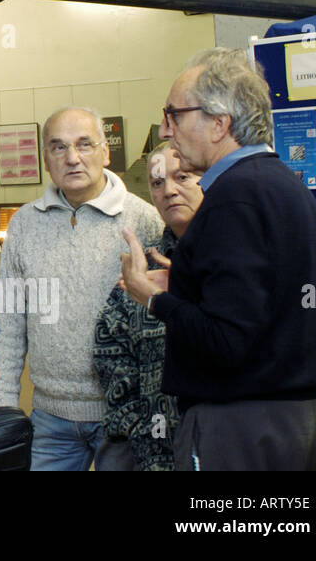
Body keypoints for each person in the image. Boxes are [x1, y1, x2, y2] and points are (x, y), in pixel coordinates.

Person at [120, 47, 316, 470]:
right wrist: (190, 285)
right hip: (291, 422)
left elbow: (227, 340)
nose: (165, 128)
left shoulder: (233, 199)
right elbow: (266, 305)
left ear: (219, 124)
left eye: (175, 114)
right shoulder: (281, 186)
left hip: (239, 429)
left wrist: (152, 298)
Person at [0, 106, 162, 471]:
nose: (72, 158)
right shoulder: (23, 226)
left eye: (85, 145)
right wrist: (4, 408)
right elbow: (7, 323)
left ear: (105, 152)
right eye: (58, 147)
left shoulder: (144, 220)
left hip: (124, 416)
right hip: (50, 420)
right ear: (45, 159)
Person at [93, 144, 198, 470]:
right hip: (156, 456)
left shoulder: (241, 262)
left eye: (182, 176)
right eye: (157, 183)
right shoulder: (140, 274)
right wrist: (141, 430)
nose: (169, 190)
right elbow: (110, 356)